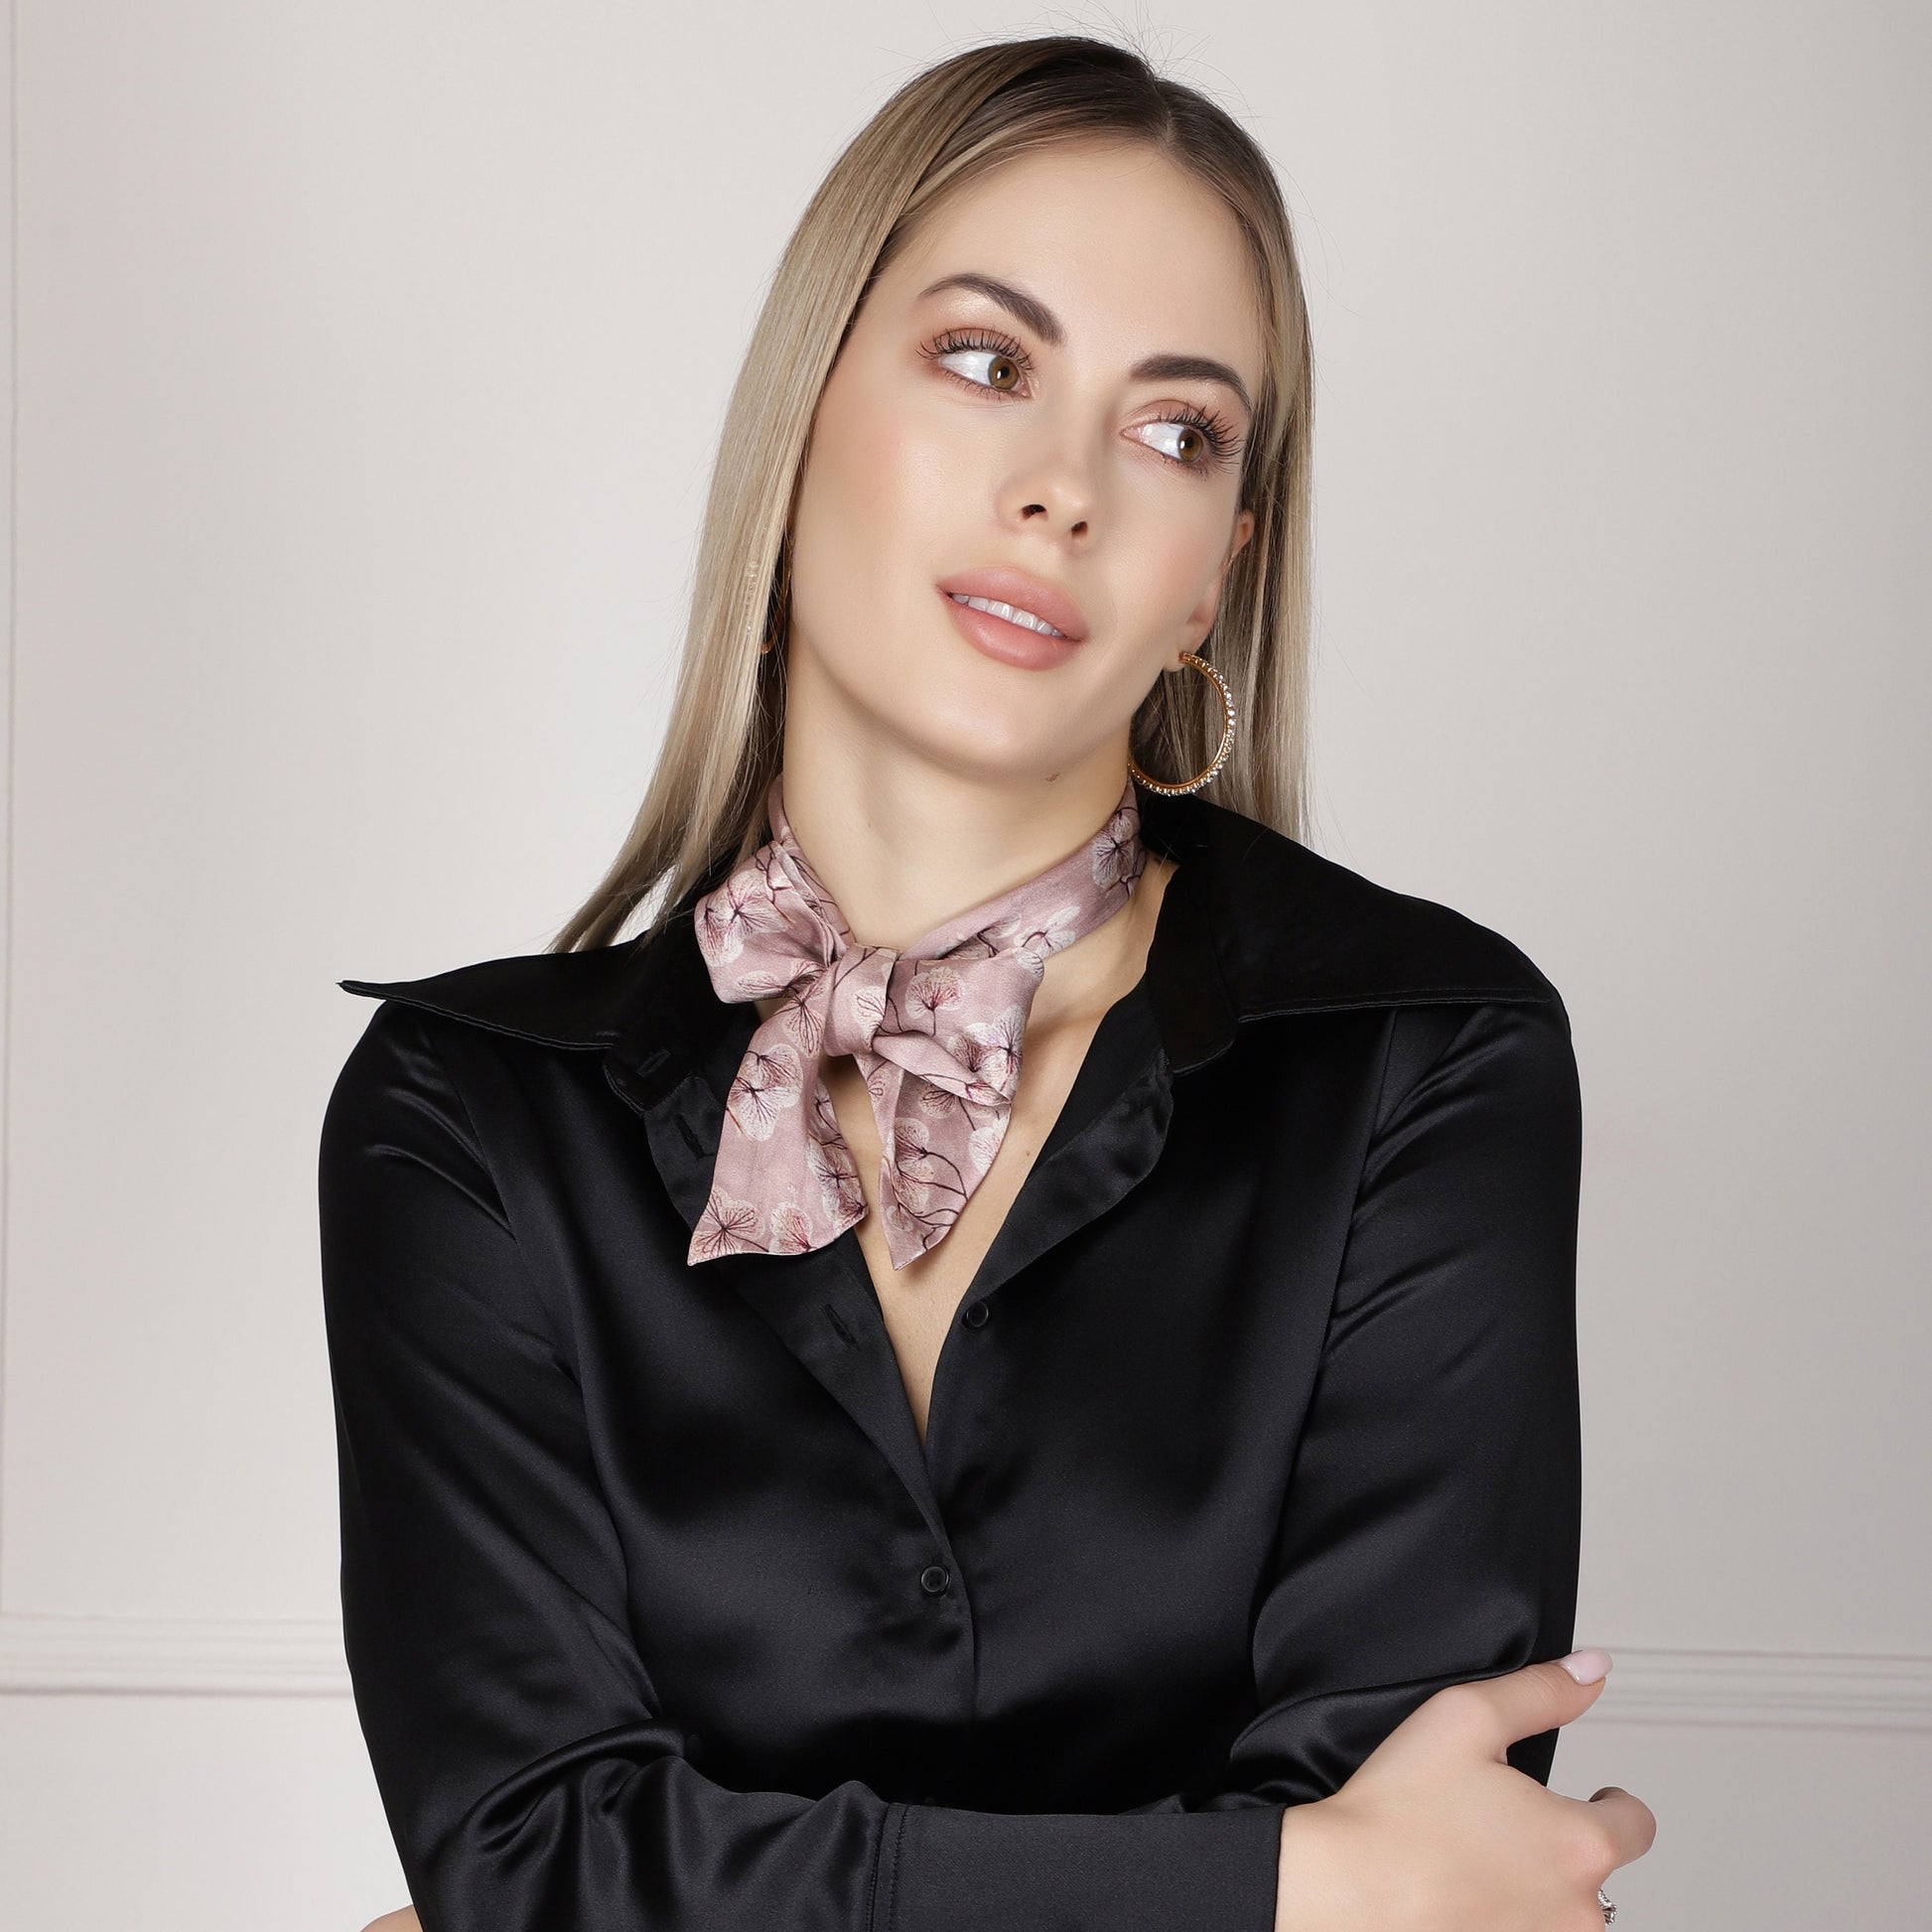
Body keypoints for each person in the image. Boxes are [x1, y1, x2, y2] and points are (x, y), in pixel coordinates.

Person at [320, 34, 1656, 1932]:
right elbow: (532, 1851)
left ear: (1212, 580)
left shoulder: (1423, 1060)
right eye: (984, 360)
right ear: (802, 411)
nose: (1064, 490)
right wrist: (1282, 1881)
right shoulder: (462, 1114)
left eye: (1175, 431)